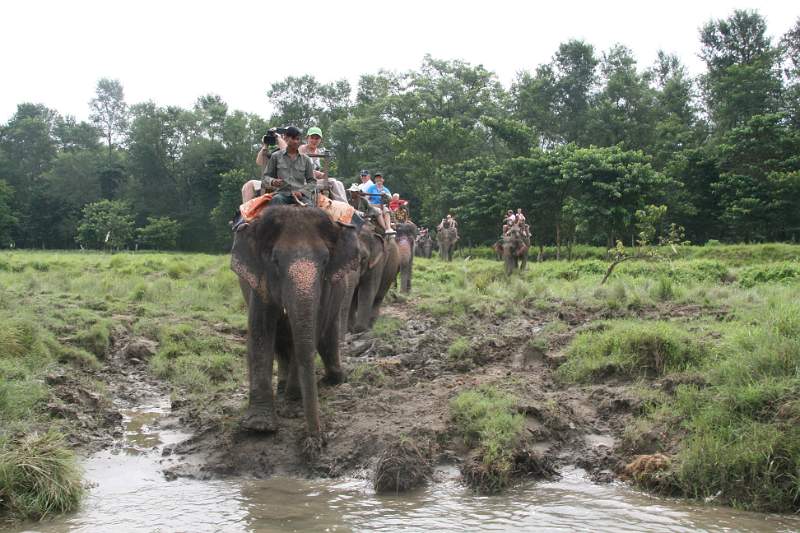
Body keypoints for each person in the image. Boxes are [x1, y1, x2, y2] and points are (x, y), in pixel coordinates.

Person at [261, 126, 315, 205]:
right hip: (282, 195)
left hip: (300, 196)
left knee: (311, 209)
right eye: (293, 139)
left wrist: (302, 192)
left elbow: (312, 181)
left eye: (298, 139)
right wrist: (273, 181)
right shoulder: (275, 156)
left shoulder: (306, 159)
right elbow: (265, 178)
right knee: (276, 200)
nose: (296, 142)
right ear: (285, 138)